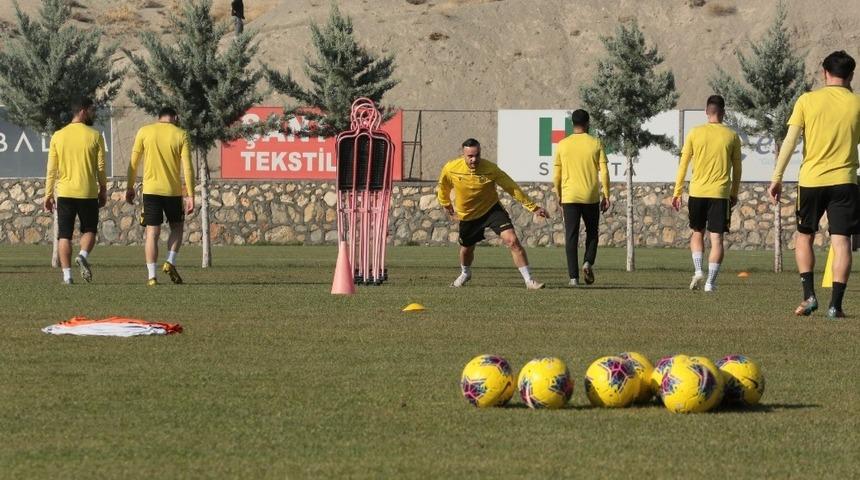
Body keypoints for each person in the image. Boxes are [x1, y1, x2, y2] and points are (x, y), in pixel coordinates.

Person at [769, 50, 860, 318]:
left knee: (804, 236)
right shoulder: (857, 104)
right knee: (841, 242)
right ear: (851, 75)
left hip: (811, 182)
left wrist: (777, 177)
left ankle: (809, 296)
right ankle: (835, 306)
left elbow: (790, 141)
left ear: (824, 73)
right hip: (845, 182)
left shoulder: (807, 100)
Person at [437, 138, 549, 289]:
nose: (474, 159)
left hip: (491, 210)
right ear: (463, 154)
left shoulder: (491, 169)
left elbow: (511, 187)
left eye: (477, 155)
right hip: (468, 215)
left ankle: (529, 281)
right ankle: (465, 273)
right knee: (467, 249)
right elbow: (443, 187)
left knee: (512, 240)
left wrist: (533, 207)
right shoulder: (451, 168)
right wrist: (445, 203)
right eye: (470, 156)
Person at [672, 95, 742, 292]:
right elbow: (737, 169)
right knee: (717, 239)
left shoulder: (695, 133)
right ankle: (710, 283)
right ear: (723, 113)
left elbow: (683, 164)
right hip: (720, 194)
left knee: (697, 232)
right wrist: (734, 193)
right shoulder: (731, 136)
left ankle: (698, 270)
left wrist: (677, 192)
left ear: (706, 112)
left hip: (697, 192)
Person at [126, 106, 195, 286]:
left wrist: (129, 186)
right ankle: (170, 261)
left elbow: (133, 163)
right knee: (177, 227)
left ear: (159, 117)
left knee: (152, 233)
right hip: (172, 191)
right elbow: (188, 167)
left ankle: (151, 277)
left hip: (151, 191)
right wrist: (190, 195)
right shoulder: (181, 134)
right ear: (175, 117)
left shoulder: (144, 131)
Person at [43, 98, 107, 284]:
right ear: (83, 111)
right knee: (90, 230)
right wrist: (103, 189)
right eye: (92, 110)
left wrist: (48, 194)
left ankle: (67, 277)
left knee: (64, 235)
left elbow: (51, 169)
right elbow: (101, 167)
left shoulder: (58, 136)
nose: (93, 113)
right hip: (87, 192)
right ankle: (82, 255)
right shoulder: (95, 136)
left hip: (65, 193)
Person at [553, 109, 610, 287]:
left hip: (569, 196)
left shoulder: (562, 144)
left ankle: (573, 278)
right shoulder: (596, 143)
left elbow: (556, 175)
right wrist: (606, 194)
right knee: (592, 232)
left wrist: (559, 194)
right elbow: (604, 172)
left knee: (571, 236)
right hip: (590, 196)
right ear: (588, 123)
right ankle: (587, 262)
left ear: (572, 124)